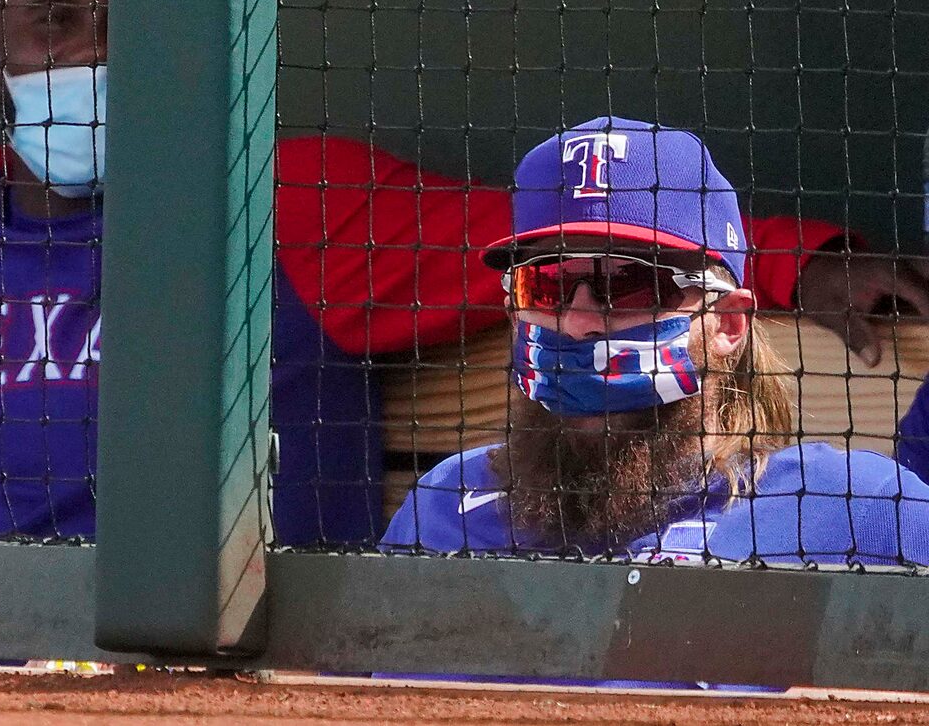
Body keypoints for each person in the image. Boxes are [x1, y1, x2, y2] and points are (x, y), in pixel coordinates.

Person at [0, 0, 924, 544]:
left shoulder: (289, 199)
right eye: (53, 21)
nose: (95, 48)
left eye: (131, 14)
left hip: (229, 667)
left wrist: (797, 263)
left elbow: (541, 233)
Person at [384, 119, 929, 563]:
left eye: (627, 284)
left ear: (727, 325)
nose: (579, 323)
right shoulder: (445, 508)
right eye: (545, 285)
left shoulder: (862, 511)